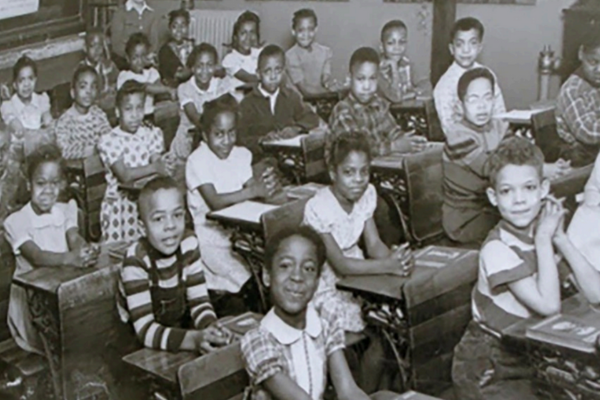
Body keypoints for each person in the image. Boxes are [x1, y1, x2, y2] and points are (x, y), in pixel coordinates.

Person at [451, 136, 600, 399]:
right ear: (493, 197)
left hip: (530, 352)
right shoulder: (497, 249)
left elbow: (596, 294)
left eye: (529, 188)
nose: (519, 200)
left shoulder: (541, 234)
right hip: (488, 364)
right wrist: (544, 239)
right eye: (507, 191)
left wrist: (561, 239)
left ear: (544, 189)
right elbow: (549, 306)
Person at [303, 131, 413, 392]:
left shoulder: (367, 195)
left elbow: (374, 245)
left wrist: (397, 259)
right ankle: (362, 393)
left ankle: (376, 391)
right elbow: (340, 265)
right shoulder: (318, 207)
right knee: (381, 331)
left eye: (364, 172)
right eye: (349, 172)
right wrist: (388, 266)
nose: (358, 181)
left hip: (361, 274)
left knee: (392, 326)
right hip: (326, 286)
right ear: (333, 173)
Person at [241, 227, 371, 400]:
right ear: (267, 275)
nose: (297, 276)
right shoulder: (258, 340)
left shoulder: (325, 319)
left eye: (308, 269)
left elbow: (348, 390)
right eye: (285, 266)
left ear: (318, 281)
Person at [117, 176, 233, 353]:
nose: (170, 226)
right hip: (135, 344)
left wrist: (211, 328)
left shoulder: (189, 244)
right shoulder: (136, 260)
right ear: (142, 227)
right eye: (158, 219)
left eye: (177, 215)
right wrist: (194, 340)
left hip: (175, 336)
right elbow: (145, 330)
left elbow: (199, 302)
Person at [186, 94, 277, 316]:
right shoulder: (197, 160)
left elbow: (254, 193)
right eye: (219, 134)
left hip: (243, 233)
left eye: (231, 133)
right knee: (251, 282)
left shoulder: (241, 155)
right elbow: (215, 202)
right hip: (213, 240)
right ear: (206, 136)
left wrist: (266, 189)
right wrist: (253, 191)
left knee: (271, 273)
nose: (226, 141)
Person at [4, 145, 99, 354]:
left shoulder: (65, 210)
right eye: (41, 183)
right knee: (76, 334)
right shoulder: (17, 221)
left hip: (62, 293)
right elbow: (37, 256)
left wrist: (85, 250)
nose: (48, 190)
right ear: (29, 185)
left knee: (94, 319)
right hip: (33, 307)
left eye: (54, 183)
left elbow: (73, 237)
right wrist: (70, 259)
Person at [97, 80, 173, 243]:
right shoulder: (110, 140)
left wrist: (164, 164)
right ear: (117, 111)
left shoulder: (151, 133)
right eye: (128, 109)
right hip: (121, 207)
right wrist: (155, 167)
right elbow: (124, 175)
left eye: (139, 108)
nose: (135, 115)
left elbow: (158, 162)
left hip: (147, 199)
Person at [442, 67, 506, 245]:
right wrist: (542, 170)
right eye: (473, 100)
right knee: (519, 223)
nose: (482, 106)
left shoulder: (499, 126)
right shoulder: (458, 136)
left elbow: (518, 153)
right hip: (466, 218)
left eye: (488, 98)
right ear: (460, 105)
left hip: (491, 207)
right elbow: (490, 168)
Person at [328, 47, 427, 159]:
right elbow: (357, 149)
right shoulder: (343, 111)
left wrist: (409, 141)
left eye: (372, 78)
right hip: (352, 172)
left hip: (376, 166)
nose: (367, 86)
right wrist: (394, 147)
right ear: (350, 78)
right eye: (360, 79)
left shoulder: (379, 104)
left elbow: (393, 131)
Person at [238, 45, 319, 162]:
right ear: (258, 74)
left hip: (290, 157)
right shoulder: (248, 103)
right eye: (267, 71)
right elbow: (240, 137)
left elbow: (311, 118)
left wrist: (296, 128)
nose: (273, 76)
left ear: (283, 71)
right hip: (261, 159)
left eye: (278, 70)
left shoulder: (291, 96)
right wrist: (261, 139)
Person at [433, 17, 506, 136]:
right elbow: (449, 127)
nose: (466, 50)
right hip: (463, 143)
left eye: (472, 43)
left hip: (492, 138)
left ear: (480, 48)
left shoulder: (488, 75)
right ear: (452, 49)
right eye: (459, 45)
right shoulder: (445, 85)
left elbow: (500, 113)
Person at [169, 43, 237, 165]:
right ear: (193, 68)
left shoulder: (223, 86)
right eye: (200, 66)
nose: (205, 70)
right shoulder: (185, 89)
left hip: (216, 139)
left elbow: (230, 111)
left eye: (209, 65)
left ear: (216, 67)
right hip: (189, 141)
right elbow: (195, 117)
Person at [556, 32, 600, 167]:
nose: (599, 70)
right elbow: (588, 132)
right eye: (593, 62)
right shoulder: (572, 90)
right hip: (580, 158)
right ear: (581, 54)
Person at [1, 56, 54, 160]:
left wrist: (48, 122)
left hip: (40, 148)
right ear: (15, 85)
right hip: (20, 153)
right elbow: (18, 129)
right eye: (21, 80)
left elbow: (48, 121)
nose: (26, 85)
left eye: (30, 79)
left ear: (35, 80)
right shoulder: (9, 105)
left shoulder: (41, 100)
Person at [55, 65, 112, 160]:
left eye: (93, 87)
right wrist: (92, 150)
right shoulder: (65, 121)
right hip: (77, 170)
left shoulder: (98, 114)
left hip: (100, 164)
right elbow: (64, 151)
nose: (88, 91)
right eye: (83, 87)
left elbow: (109, 136)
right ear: (73, 92)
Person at [117, 33, 176, 121]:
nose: (139, 61)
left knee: (174, 109)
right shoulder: (125, 76)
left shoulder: (151, 72)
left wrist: (165, 86)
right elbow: (146, 87)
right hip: (130, 117)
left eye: (143, 56)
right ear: (128, 58)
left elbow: (158, 85)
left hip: (148, 114)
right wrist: (167, 89)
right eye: (135, 57)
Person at [285, 8, 336, 96]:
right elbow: (305, 91)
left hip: (320, 98)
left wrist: (329, 84)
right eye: (301, 30)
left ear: (316, 29)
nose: (306, 35)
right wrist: (332, 93)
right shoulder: (290, 56)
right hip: (300, 102)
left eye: (310, 29)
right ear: (293, 31)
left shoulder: (325, 52)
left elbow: (325, 79)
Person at [108, 0, 160, 68]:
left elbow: (154, 42)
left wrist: (145, 58)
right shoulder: (120, 13)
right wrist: (132, 58)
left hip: (145, 60)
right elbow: (116, 44)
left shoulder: (152, 14)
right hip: (124, 61)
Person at [79, 29, 119, 115]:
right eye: (93, 46)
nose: (97, 50)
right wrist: (101, 102)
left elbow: (118, 84)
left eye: (100, 46)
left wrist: (114, 90)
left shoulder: (109, 65)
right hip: (91, 113)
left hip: (111, 110)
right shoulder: (81, 71)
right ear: (85, 48)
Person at [378, 20, 418, 104]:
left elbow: (425, 89)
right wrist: (394, 67)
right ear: (381, 47)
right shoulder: (377, 69)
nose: (397, 48)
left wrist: (413, 93)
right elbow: (395, 97)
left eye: (402, 42)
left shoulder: (407, 64)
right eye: (390, 43)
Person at [222, 11, 262, 85]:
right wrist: (267, 78)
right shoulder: (230, 59)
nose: (248, 37)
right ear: (235, 37)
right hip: (236, 95)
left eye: (252, 32)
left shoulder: (259, 53)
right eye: (243, 33)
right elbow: (248, 78)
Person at [158, 9, 194, 88]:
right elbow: (180, 75)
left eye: (182, 26)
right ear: (169, 28)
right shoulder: (165, 51)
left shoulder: (192, 46)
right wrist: (193, 70)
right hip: (172, 88)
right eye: (175, 26)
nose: (179, 30)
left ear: (188, 27)